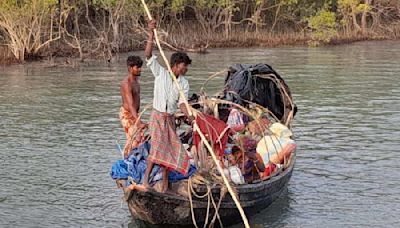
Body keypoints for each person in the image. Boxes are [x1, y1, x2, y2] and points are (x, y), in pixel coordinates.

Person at [143, 20, 193, 193]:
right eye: (184, 66)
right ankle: (145, 181)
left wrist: (190, 117)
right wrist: (151, 33)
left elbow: (182, 103)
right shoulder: (161, 73)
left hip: (170, 119)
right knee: (157, 149)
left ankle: (165, 185)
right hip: (157, 117)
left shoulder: (184, 83)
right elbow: (148, 55)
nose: (186, 69)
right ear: (177, 65)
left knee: (169, 152)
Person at [120, 55, 147, 159]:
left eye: (140, 67)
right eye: (137, 67)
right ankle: (127, 159)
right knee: (134, 139)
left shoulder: (136, 82)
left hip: (135, 114)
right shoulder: (126, 84)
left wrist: (139, 119)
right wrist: (139, 122)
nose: (140, 69)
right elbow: (131, 105)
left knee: (140, 139)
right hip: (127, 115)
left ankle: (133, 159)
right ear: (130, 68)